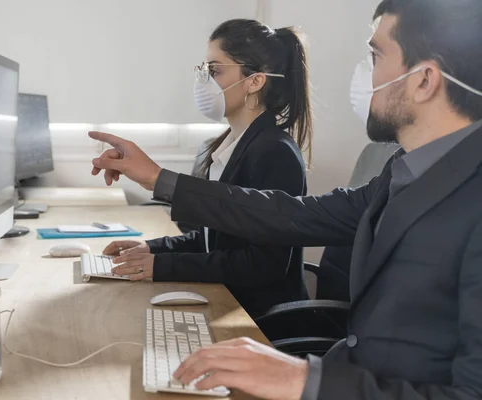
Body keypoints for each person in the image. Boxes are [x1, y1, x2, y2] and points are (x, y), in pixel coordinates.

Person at [88, 0, 482, 398]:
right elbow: (284, 213)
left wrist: (303, 380)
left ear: (425, 80)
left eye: (375, 55)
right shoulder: (403, 172)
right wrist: (159, 179)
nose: (363, 72)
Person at [102, 19, 312, 318]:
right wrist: (152, 249)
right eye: (204, 71)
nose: (205, 82)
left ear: (254, 81)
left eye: (214, 71)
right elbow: (213, 238)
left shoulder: (275, 153)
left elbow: (263, 266)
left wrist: (161, 267)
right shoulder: (231, 145)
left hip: (258, 322)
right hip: (229, 301)